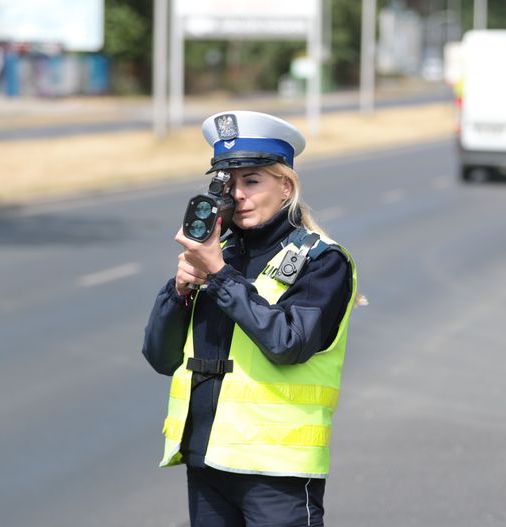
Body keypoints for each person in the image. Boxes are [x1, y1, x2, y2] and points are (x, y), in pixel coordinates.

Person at [142, 111, 358, 526]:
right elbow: (159, 356)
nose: (237, 195)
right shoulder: (220, 251)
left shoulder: (321, 260)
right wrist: (179, 290)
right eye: (228, 182)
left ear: (286, 186)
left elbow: (288, 344)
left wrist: (220, 276)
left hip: (277, 472)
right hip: (208, 460)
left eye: (252, 181)